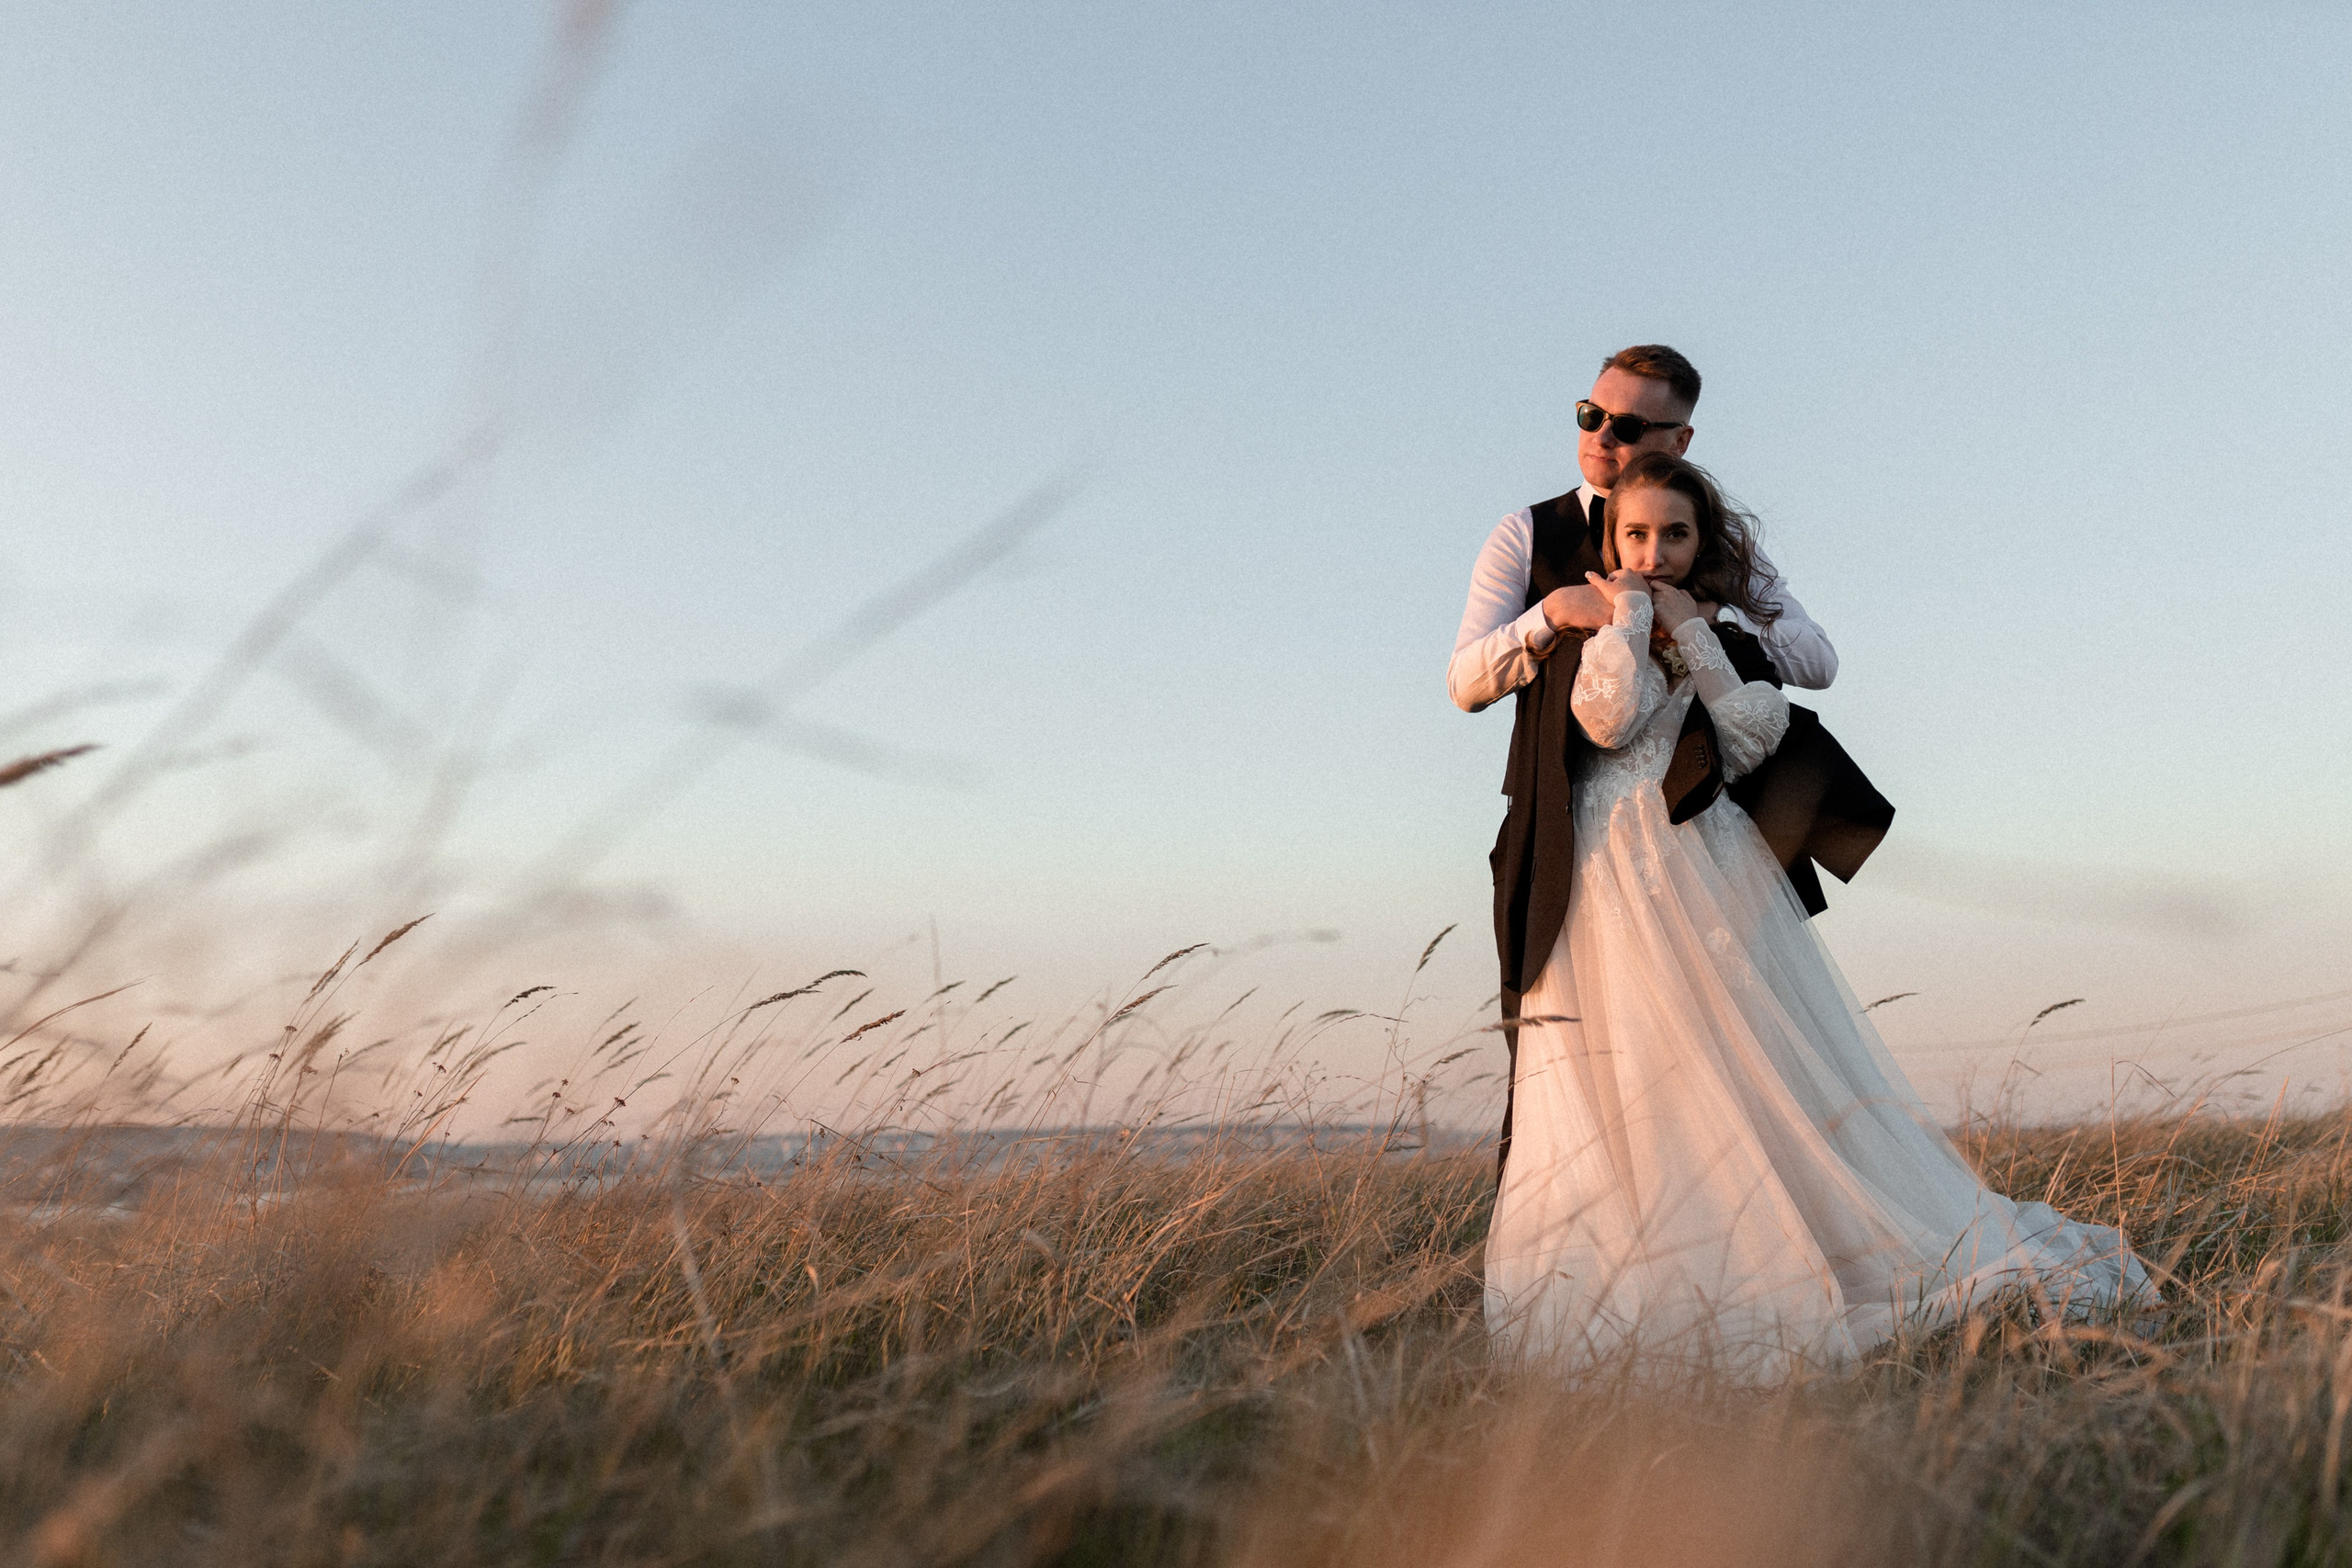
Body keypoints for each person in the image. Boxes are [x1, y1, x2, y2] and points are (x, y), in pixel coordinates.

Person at [1472, 451, 2150, 1374]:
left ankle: (1787, 1251)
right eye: (1637, 534)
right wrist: (1628, 618)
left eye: (1676, 534)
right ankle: (1629, 1272)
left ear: (1700, 542)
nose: (1657, 550)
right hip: (1605, 876)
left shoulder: (1724, 627)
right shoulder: (1601, 622)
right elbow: (1606, 720)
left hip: (1703, 865)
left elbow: (1753, 736)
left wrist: (1700, 635)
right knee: (1616, 1063)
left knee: (1737, 1052)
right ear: (1610, 537)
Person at [1453, 344, 1892, 1179]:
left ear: (1679, 439)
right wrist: (1554, 613)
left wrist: (1711, 619)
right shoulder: (1524, 533)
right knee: (1563, 1061)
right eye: (1589, 414)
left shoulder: (1707, 534)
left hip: (1703, 841)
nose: (1598, 435)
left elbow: (1816, 657)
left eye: (1625, 425)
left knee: (1736, 1048)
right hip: (1562, 833)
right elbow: (1464, 680)